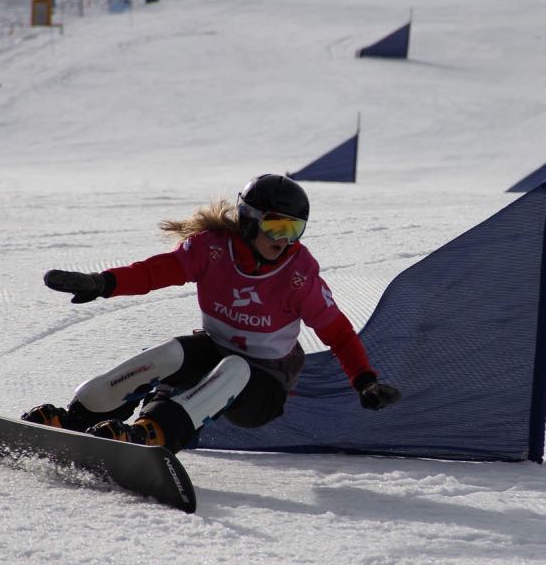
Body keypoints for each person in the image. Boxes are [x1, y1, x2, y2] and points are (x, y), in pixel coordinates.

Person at [22, 174, 401, 453]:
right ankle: (78, 418)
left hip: (265, 385)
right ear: (250, 219)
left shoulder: (298, 274)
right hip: (214, 350)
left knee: (237, 369)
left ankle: (151, 434)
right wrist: (104, 283)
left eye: (294, 229)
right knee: (171, 354)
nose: (283, 239)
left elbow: (337, 332)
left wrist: (364, 380)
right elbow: (157, 272)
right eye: (275, 226)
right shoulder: (213, 250)